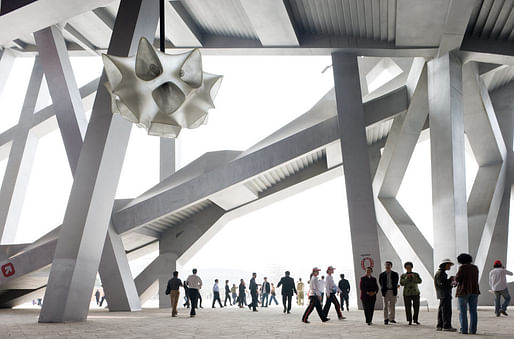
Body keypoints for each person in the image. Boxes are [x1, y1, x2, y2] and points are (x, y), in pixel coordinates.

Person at [455, 253, 480, 334]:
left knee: (462, 311)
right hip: (474, 291)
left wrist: (454, 281)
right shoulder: (475, 267)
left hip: (463, 291)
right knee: (473, 311)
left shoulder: (462, 267)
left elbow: (458, 279)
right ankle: (473, 330)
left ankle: (464, 330)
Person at [434, 258, 457, 331]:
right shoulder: (441, 273)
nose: (450, 266)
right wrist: (450, 280)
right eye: (449, 265)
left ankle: (440, 325)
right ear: (444, 265)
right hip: (444, 294)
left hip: (442, 294)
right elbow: (442, 284)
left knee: (442, 310)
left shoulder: (440, 273)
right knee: (446, 311)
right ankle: (446, 326)